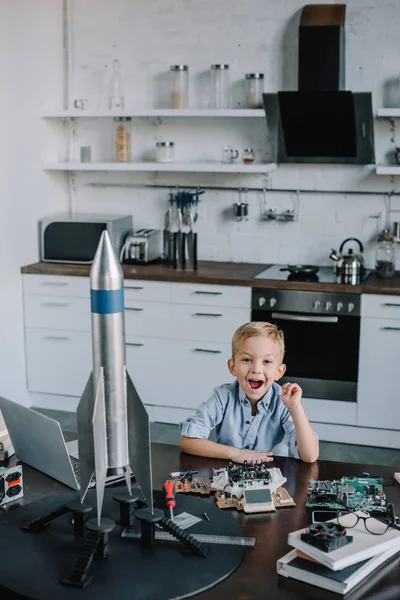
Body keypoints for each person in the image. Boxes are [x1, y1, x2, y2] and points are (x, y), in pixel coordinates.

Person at [180, 321, 319, 464]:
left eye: (267, 361)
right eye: (247, 360)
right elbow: (187, 442)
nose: (256, 369)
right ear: (233, 367)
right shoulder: (222, 397)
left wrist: (295, 408)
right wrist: (234, 453)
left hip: (272, 480)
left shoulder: (283, 403)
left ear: (279, 372)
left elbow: (310, 456)